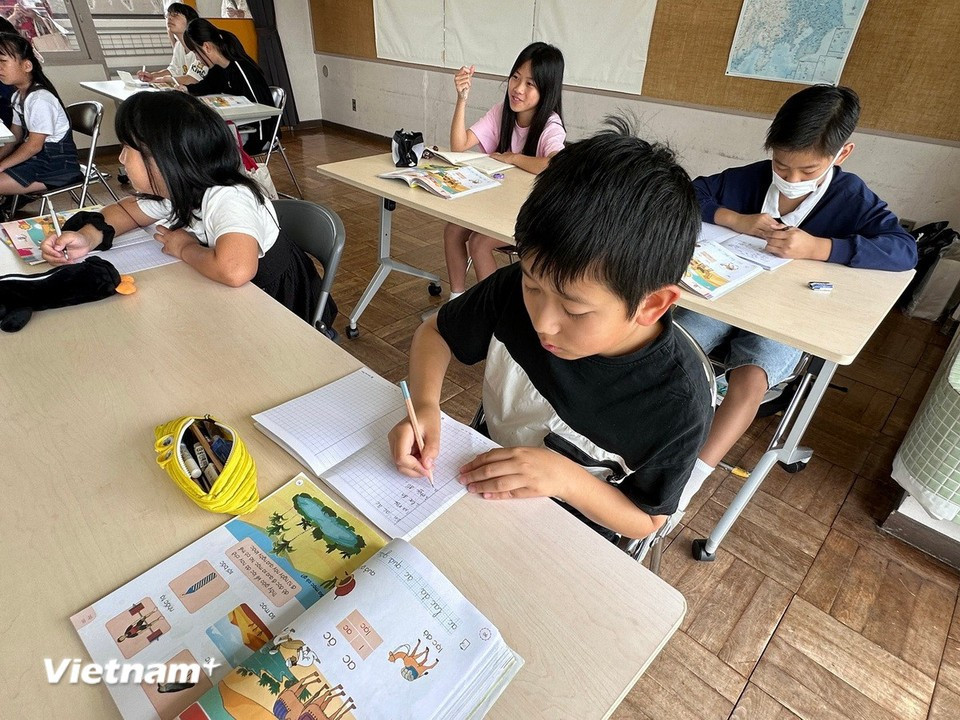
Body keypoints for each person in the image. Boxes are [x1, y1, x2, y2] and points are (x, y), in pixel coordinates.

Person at [388, 118, 713, 541]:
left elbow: (647, 520)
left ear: (651, 304)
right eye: (531, 284)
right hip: (479, 484)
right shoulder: (512, 292)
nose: (542, 321)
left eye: (575, 310)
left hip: (573, 532)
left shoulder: (678, 401)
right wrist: (428, 405)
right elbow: (437, 333)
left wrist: (566, 480)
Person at [675, 85, 918, 492]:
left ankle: (691, 479)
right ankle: (644, 435)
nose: (791, 179)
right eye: (782, 166)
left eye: (808, 171)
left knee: (751, 378)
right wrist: (736, 219)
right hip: (723, 295)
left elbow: (903, 250)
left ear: (842, 155)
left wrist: (819, 247)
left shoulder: (850, 196)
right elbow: (688, 193)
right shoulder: (750, 179)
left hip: (787, 316)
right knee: (675, 344)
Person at [39, 92, 320, 323]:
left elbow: (235, 270)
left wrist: (184, 247)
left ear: (165, 160)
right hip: (231, 296)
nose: (122, 159)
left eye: (128, 149)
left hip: (279, 304)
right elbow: (126, 212)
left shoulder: (227, 197)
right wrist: (88, 237)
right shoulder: (178, 188)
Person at [443, 42, 565, 300]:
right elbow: (459, 145)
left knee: (478, 242)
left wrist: (514, 157)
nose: (518, 89)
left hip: (532, 218)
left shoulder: (550, 125)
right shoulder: (502, 113)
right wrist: (462, 99)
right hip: (496, 207)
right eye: (515, 77)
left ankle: (489, 314)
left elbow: (555, 163)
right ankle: (456, 302)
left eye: (530, 84)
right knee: (453, 229)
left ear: (547, 89)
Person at [0, 32, 81, 199]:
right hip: (38, 160)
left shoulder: (41, 99)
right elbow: (15, 137)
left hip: (57, 166)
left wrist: (1, 165)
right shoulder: (18, 96)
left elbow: (34, 146)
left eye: (3, 62)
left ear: (27, 66)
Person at [183, 18, 273, 153]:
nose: (196, 58)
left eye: (196, 52)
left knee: (202, 148)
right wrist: (185, 89)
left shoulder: (243, 70)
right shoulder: (218, 69)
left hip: (259, 135)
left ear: (207, 47)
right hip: (238, 129)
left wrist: (253, 146)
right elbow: (205, 87)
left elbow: (261, 112)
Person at [137, 3, 207, 87]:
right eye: (168, 15)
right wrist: (152, 76)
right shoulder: (179, 46)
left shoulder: (201, 46)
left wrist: (163, 79)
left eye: (175, 15)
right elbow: (172, 71)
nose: (169, 18)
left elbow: (192, 79)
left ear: (190, 21)